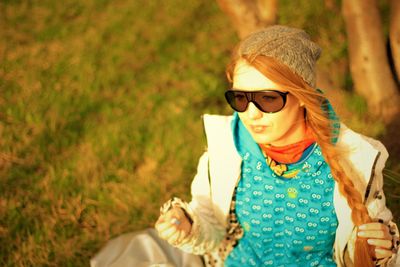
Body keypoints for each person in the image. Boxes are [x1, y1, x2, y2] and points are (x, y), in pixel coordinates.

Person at [154, 25, 400, 267]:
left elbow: (361, 251)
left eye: (267, 99)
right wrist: (188, 225)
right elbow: (214, 227)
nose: (251, 115)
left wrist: (379, 251)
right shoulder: (229, 145)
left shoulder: (354, 158)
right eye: (240, 98)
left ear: (303, 97)